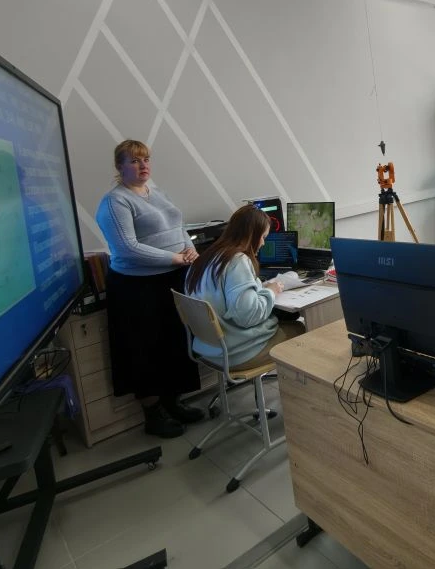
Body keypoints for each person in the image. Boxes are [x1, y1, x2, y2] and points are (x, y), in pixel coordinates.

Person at [96, 140, 203, 438]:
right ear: (119, 167)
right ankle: (153, 415)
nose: (143, 165)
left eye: (146, 159)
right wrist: (175, 258)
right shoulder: (115, 202)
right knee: (145, 350)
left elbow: (180, 228)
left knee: (174, 343)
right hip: (137, 288)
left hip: (172, 279)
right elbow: (127, 248)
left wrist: (190, 250)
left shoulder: (156, 193)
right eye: (134, 161)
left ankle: (173, 402)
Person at [184, 204, 305, 368]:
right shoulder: (237, 261)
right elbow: (247, 316)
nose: (263, 243)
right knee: (302, 330)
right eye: (263, 237)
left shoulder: (205, 258)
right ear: (251, 235)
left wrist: (259, 289)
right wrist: (270, 291)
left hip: (209, 349)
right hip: (238, 352)